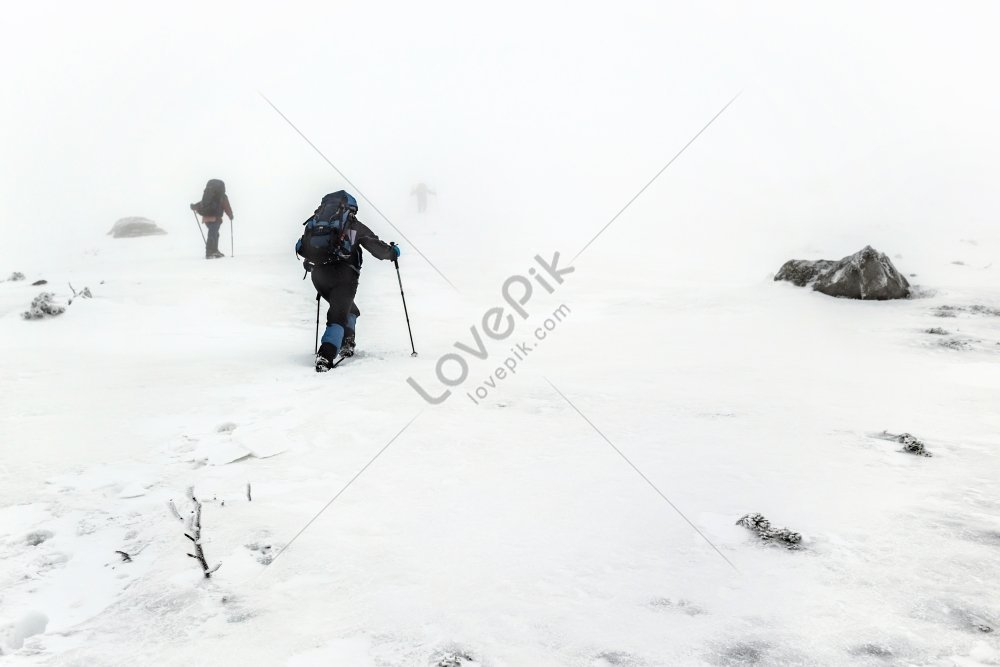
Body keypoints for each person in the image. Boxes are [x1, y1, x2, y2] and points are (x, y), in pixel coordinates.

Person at [296, 190, 400, 372]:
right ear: (351, 209)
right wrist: (393, 252)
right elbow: (377, 248)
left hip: (319, 277)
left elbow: (303, 247)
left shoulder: (316, 223)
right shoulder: (353, 225)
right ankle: (325, 356)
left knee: (350, 310)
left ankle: (347, 342)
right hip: (344, 277)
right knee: (338, 314)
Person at [190, 179, 234, 259]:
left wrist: (194, 207)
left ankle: (214, 251)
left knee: (215, 234)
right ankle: (209, 252)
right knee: (213, 234)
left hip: (206, 218)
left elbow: (201, 204)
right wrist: (230, 215)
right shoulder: (222, 196)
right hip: (216, 218)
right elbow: (227, 206)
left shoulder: (208, 196)